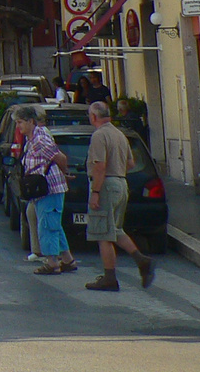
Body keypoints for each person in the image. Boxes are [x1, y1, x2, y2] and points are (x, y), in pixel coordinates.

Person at [85, 100, 153, 291]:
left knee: (103, 234)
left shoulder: (99, 136)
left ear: (93, 117)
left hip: (106, 185)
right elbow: (131, 163)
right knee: (115, 229)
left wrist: (96, 192)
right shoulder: (119, 134)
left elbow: (99, 166)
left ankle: (109, 277)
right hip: (121, 183)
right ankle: (141, 260)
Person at [14, 105, 75, 275]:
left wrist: (65, 172)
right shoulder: (34, 137)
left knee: (47, 225)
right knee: (53, 223)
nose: (18, 127)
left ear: (30, 121)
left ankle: (52, 263)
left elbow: (59, 157)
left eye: (20, 122)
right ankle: (67, 259)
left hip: (49, 187)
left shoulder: (40, 139)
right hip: (45, 188)